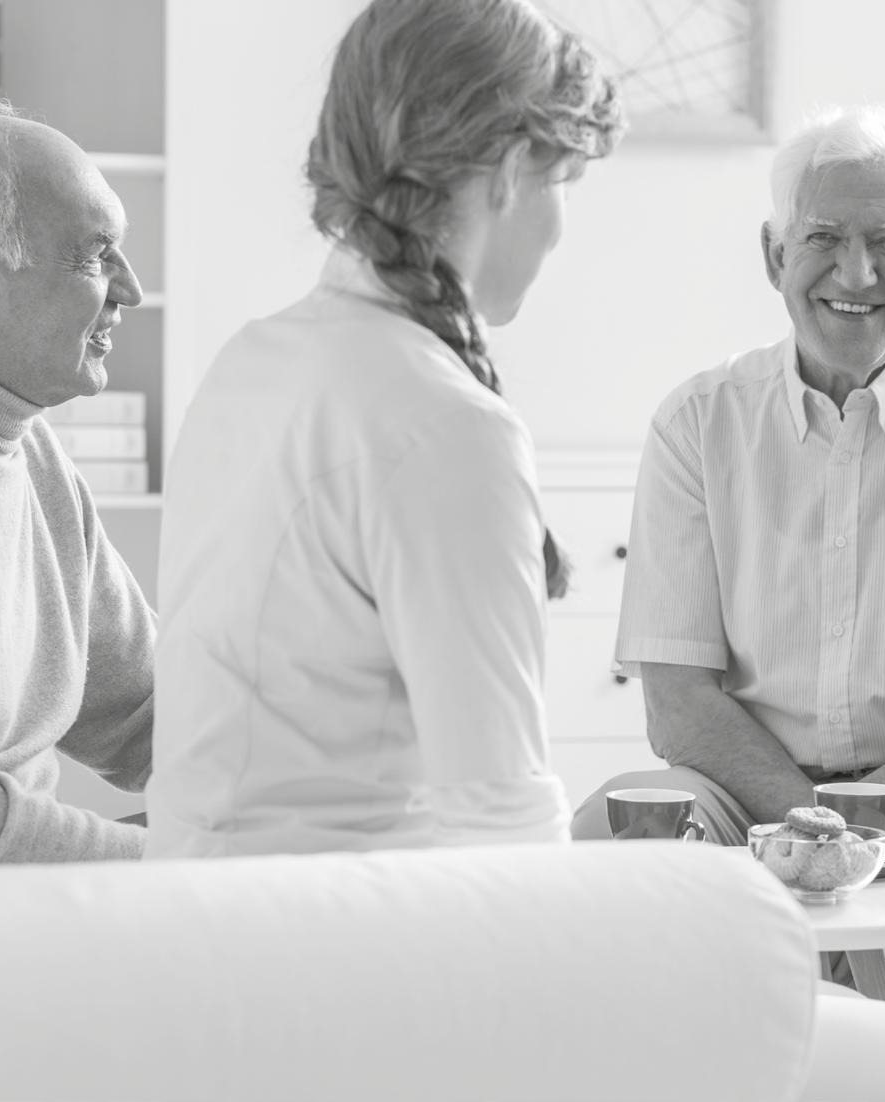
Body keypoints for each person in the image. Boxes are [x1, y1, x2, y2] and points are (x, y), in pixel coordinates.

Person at [571, 104, 885, 1008]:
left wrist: (848, 835)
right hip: (748, 788)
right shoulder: (696, 423)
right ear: (775, 255)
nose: (855, 273)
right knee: (621, 819)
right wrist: (810, 830)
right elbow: (680, 704)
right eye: (823, 239)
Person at [144, 0, 621, 857]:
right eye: (563, 184)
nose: (558, 229)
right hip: (341, 924)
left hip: (204, 909)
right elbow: (504, 830)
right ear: (511, 170)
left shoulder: (248, 365)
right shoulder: (445, 425)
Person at [0, 99, 154, 862]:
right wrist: (166, 861)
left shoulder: (31, 451)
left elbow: (149, 709)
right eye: (96, 255)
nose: (130, 289)